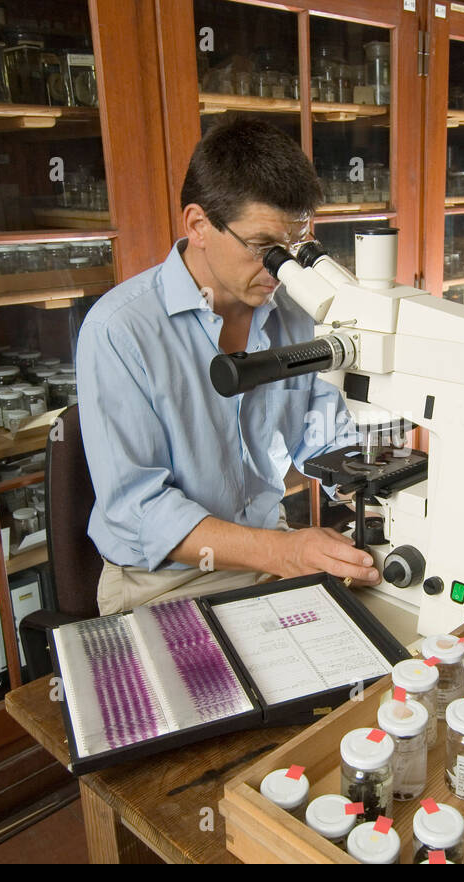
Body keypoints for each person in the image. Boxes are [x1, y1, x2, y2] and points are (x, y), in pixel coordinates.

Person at [77, 117, 380, 615]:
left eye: (293, 249)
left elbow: (321, 437)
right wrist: (285, 551)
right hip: (163, 582)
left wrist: (379, 488)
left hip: (268, 556)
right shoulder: (120, 330)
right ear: (198, 225)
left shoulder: (295, 311)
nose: (279, 271)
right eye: (265, 249)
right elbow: (140, 511)